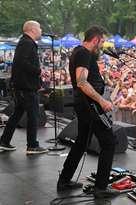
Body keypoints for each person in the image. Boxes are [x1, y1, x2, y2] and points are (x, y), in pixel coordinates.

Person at [57, 26, 117, 198]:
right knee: (108, 142)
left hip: (84, 105)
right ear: (96, 39)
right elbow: (82, 82)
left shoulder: (78, 51)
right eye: (103, 40)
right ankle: (101, 188)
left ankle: (64, 180)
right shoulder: (84, 53)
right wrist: (101, 100)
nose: (103, 44)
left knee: (82, 142)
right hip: (90, 106)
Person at [0, 21, 48, 154]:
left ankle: (4, 141)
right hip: (26, 87)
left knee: (17, 114)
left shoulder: (25, 42)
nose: (41, 30)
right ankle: (32, 145)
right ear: (32, 29)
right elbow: (22, 62)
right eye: (39, 27)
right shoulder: (27, 43)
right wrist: (38, 71)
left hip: (22, 86)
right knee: (33, 116)